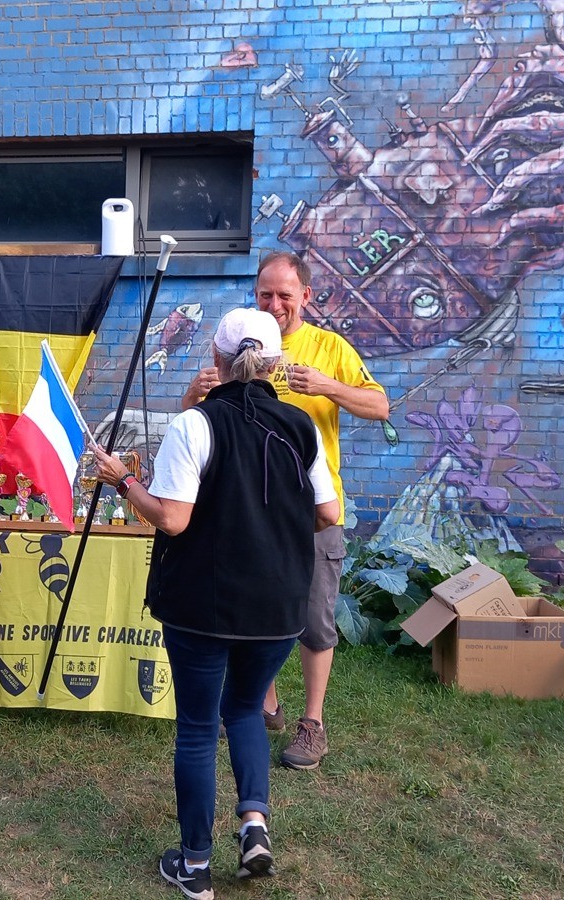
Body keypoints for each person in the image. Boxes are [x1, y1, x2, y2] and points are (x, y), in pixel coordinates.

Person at [96, 307, 339, 900]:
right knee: (247, 709)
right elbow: (328, 514)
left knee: (200, 729)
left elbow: (173, 520)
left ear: (216, 359)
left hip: (202, 605)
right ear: (276, 363)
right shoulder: (301, 425)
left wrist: (124, 480)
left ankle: (195, 864)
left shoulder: (195, 424)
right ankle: (254, 826)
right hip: (278, 603)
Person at [183, 251, 390, 771]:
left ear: (306, 296)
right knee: (256, 609)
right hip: (245, 509)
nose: (274, 304)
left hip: (314, 511)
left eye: (284, 295)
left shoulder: (329, 348)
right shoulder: (239, 344)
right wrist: (193, 393)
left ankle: (312, 723)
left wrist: (327, 387)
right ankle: (264, 705)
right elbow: (193, 426)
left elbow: (380, 406)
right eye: (265, 294)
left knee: (315, 619)